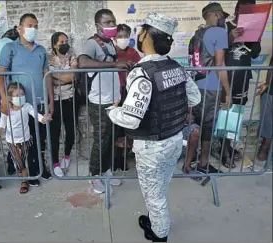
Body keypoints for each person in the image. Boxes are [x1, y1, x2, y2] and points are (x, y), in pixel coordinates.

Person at [107, 12, 201, 241]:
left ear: (147, 34)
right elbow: (195, 98)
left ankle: (160, 235)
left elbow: (130, 118)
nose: (138, 34)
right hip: (174, 140)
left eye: (141, 30)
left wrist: (112, 111)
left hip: (151, 148)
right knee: (160, 190)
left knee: (154, 197)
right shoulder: (176, 67)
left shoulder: (141, 73)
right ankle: (157, 220)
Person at [78, 9, 133, 194]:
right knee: (101, 139)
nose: (111, 25)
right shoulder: (91, 43)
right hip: (99, 100)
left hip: (113, 99)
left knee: (110, 138)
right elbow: (83, 63)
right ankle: (94, 177)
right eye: (107, 22)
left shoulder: (110, 44)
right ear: (98, 25)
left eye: (113, 21)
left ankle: (107, 170)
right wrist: (113, 64)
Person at [0, 13, 53, 180]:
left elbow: (47, 75)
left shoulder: (41, 50)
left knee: (39, 139)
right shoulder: (10, 49)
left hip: (39, 103)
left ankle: (40, 169)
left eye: (36, 26)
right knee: (23, 141)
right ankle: (27, 172)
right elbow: (0, 76)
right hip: (19, 105)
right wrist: (4, 100)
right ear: (19, 29)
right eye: (30, 26)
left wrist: (51, 100)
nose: (33, 29)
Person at [190, 3, 231, 174]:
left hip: (195, 86)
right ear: (215, 14)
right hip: (211, 87)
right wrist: (228, 92)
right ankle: (203, 163)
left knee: (196, 125)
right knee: (208, 125)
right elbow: (220, 64)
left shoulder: (197, 34)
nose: (223, 20)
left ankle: (190, 160)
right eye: (222, 15)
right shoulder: (219, 32)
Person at [220, 0, 261, 168]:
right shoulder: (225, 26)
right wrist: (231, 37)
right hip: (227, 79)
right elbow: (217, 50)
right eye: (244, 9)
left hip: (243, 77)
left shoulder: (254, 28)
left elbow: (255, 54)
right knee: (224, 113)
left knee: (236, 115)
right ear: (237, 10)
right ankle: (224, 150)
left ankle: (230, 145)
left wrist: (252, 39)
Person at [0, 82, 50, 192]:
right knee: (19, 162)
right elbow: (2, 124)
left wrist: (43, 119)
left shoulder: (26, 106)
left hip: (26, 138)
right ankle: (24, 181)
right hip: (11, 141)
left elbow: (35, 114)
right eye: (17, 95)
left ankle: (22, 173)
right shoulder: (6, 110)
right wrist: (0, 130)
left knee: (23, 159)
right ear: (10, 97)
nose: (20, 97)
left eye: (22, 95)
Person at [49, 32, 79, 177]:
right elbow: (48, 78)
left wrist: (57, 77)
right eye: (61, 41)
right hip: (55, 99)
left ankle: (66, 157)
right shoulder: (49, 57)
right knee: (55, 133)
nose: (65, 44)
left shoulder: (72, 54)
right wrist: (65, 78)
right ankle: (55, 163)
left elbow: (73, 75)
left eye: (66, 41)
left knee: (71, 130)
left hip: (70, 97)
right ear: (55, 44)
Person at [113, 24, 141, 172]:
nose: (122, 39)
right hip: (113, 93)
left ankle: (122, 158)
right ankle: (114, 158)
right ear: (114, 37)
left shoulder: (133, 52)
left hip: (129, 93)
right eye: (120, 36)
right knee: (114, 128)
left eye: (125, 36)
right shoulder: (111, 52)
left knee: (126, 128)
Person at [0, 26, 19, 175]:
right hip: (9, 95)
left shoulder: (1, 44)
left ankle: (13, 161)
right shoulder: (6, 45)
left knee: (14, 131)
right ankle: (12, 161)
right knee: (12, 131)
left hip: (12, 94)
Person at [256, 56, 273, 162]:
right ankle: (264, 148)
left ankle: (264, 148)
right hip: (270, 93)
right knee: (267, 123)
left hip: (270, 92)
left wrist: (267, 84)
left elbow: (271, 68)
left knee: (267, 123)